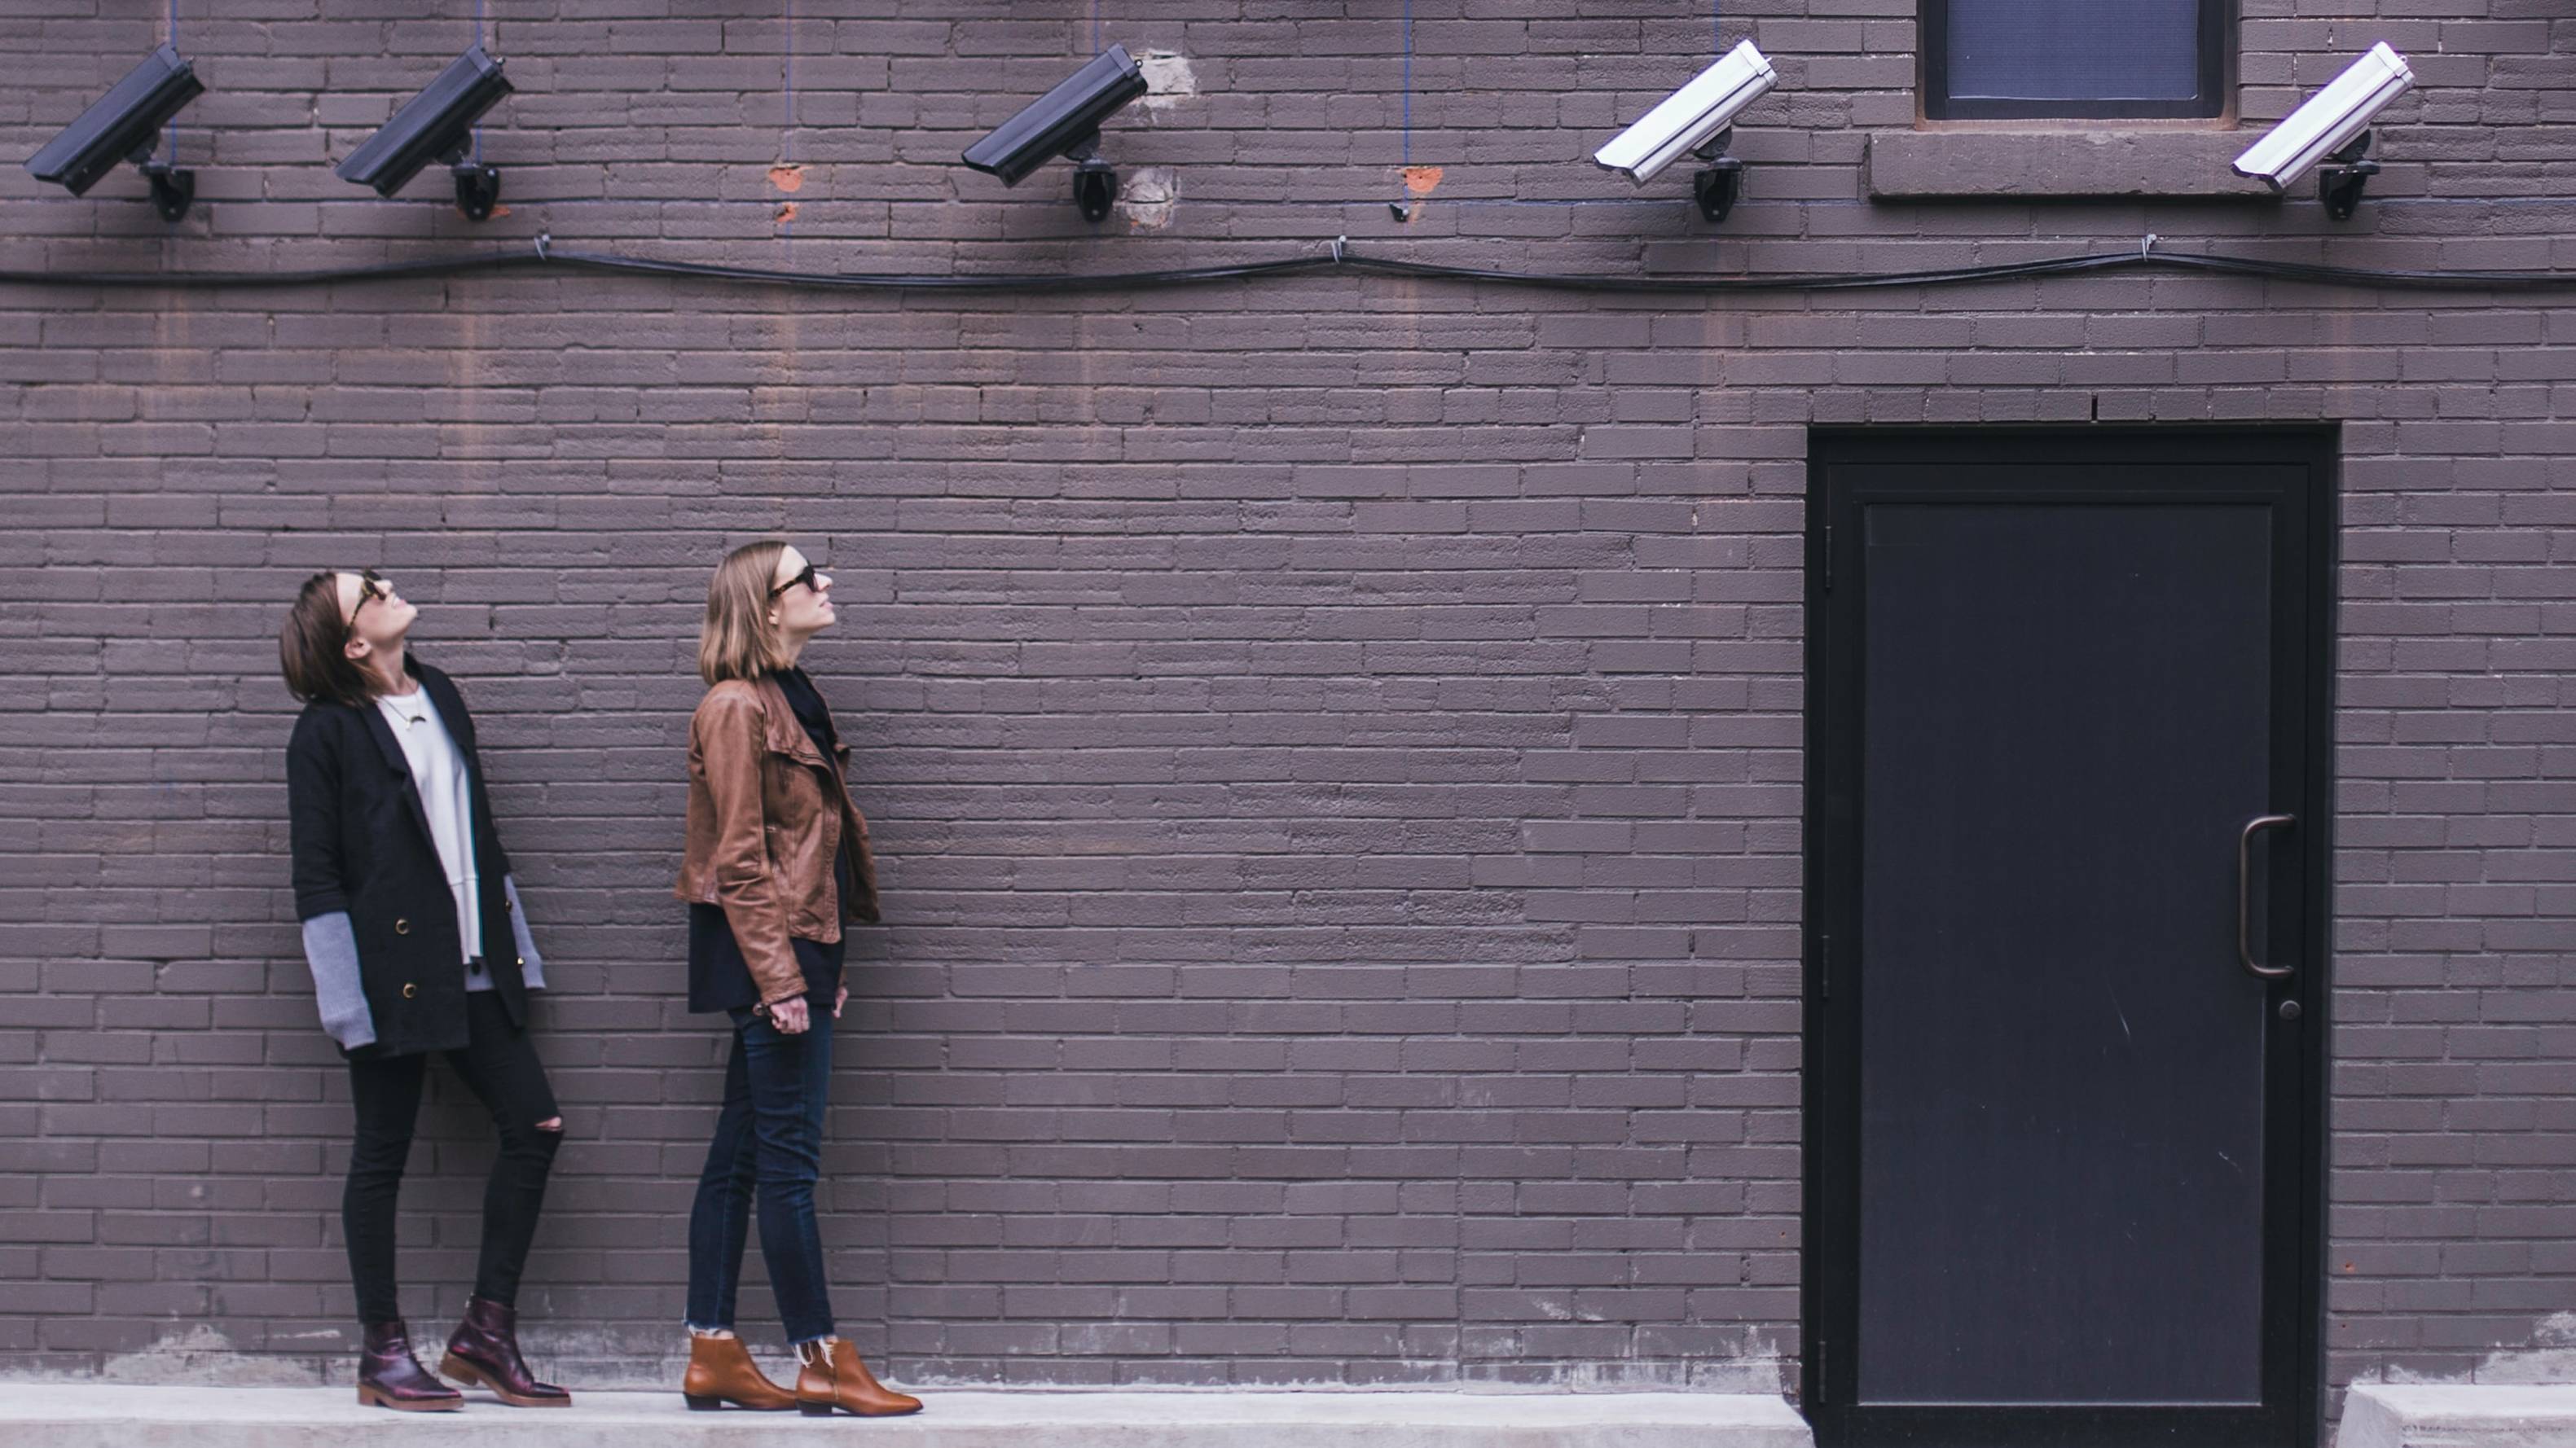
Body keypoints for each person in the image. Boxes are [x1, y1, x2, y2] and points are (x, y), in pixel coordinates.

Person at [280, 568, 569, 1412]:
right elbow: (317, 877)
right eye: (369, 589)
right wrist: (345, 1003)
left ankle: (485, 1333)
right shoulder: (324, 735)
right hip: (389, 977)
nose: (387, 584)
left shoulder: (439, 691)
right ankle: (384, 1350)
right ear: (354, 642)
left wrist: (519, 950)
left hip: (476, 962)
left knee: (536, 1124)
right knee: (382, 1154)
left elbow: (479, 828)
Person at [674, 542, 921, 1417]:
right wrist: (784, 976)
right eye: (807, 574)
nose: (827, 582)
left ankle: (711, 1348)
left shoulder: (789, 695)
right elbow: (739, 859)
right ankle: (821, 1355)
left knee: (740, 1155)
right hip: (765, 954)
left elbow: (809, 853)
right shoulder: (737, 706)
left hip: (791, 949)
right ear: (766, 604)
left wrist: (825, 961)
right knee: (788, 1164)